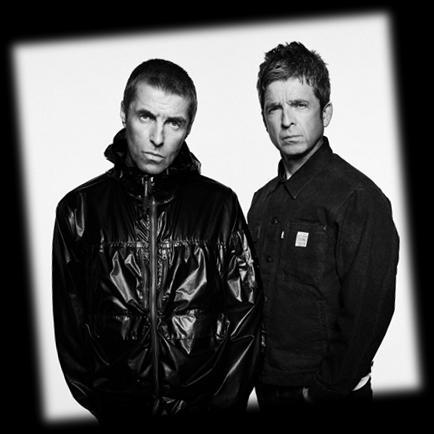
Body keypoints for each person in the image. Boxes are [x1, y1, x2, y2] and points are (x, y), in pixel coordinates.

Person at [52, 58, 262, 425]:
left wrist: (222, 407)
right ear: (124, 113)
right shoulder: (80, 210)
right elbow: (70, 324)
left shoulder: (219, 206)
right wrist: (105, 405)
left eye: (173, 123)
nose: (158, 138)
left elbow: (245, 315)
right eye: (146, 116)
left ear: (188, 127)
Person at [247, 42, 399, 410]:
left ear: (325, 113)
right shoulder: (261, 201)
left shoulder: (359, 198)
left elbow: (369, 310)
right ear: (264, 119)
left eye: (300, 105)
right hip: (268, 387)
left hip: (326, 393)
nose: (286, 120)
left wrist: (325, 390)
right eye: (274, 108)